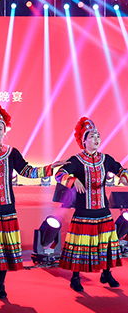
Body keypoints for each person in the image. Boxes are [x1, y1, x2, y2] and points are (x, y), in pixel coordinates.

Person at [0, 104, 66, 299]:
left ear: (5, 131)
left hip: (7, 207)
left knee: (5, 247)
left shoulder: (12, 153)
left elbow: (28, 171)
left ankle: (0, 284)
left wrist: (50, 168)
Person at [56, 117, 128, 292]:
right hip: (84, 211)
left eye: (98, 136)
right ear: (84, 141)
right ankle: (75, 277)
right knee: (80, 246)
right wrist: (73, 180)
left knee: (106, 244)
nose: (96, 139)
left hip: (102, 210)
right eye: (92, 136)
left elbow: (121, 169)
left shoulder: (105, 159)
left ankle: (107, 273)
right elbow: (59, 174)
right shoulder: (76, 160)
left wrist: (123, 177)